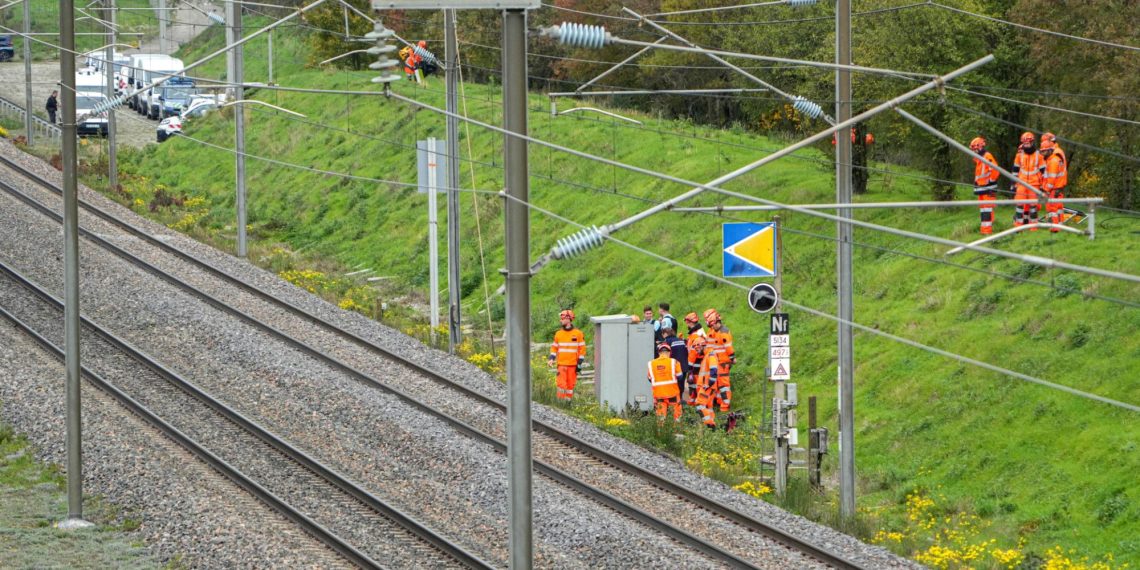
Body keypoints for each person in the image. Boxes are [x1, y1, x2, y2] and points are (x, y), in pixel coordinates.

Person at [548, 309, 586, 403]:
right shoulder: (558, 334)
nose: (560, 320)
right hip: (561, 365)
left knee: (570, 386)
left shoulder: (578, 334)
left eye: (562, 318)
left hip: (573, 365)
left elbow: (582, 349)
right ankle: (560, 404)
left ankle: (567, 404)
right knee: (561, 385)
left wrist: (579, 363)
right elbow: (554, 348)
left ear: (568, 319)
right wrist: (551, 359)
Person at [1011, 132, 1046, 230]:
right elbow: (1015, 170)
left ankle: (1033, 226)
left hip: (1034, 184)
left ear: (1032, 142)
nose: (1026, 145)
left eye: (1028, 143)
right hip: (1021, 183)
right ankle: (1018, 226)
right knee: (1019, 204)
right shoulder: (1019, 155)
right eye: (1024, 144)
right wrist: (1013, 185)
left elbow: (1044, 172)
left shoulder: (1038, 155)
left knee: (1033, 206)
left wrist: (1044, 187)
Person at [704, 308, 735, 412]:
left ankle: (725, 406)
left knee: (723, 386)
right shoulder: (714, 332)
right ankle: (719, 403)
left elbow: (728, 348)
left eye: (712, 325)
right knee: (717, 385)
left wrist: (732, 358)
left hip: (723, 363)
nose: (712, 327)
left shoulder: (723, 332)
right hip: (716, 363)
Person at [970, 136, 1000, 235]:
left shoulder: (987, 156)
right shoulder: (979, 159)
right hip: (982, 189)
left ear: (980, 147)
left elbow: (995, 170)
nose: (974, 151)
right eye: (973, 150)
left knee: (987, 210)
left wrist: (990, 182)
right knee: (983, 210)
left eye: (975, 149)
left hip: (988, 189)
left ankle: (987, 231)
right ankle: (984, 230)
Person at [647, 343, 683, 422]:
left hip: (659, 395)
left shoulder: (651, 363)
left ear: (659, 353)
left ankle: (661, 432)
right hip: (672, 394)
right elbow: (680, 377)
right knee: (676, 416)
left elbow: (649, 379)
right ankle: (677, 432)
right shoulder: (674, 362)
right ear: (669, 352)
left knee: (661, 416)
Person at [690, 336, 720, 429]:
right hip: (707, 386)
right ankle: (711, 427)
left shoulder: (710, 354)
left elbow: (714, 370)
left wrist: (709, 384)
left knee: (699, 405)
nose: (696, 351)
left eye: (697, 348)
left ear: (702, 346)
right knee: (708, 407)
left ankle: (709, 425)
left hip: (707, 387)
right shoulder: (707, 356)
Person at [1040, 133, 1068, 233]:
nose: (1042, 154)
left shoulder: (1054, 158)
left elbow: (1051, 178)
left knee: (1052, 208)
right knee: (1059, 207)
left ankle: (1054, 228)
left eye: (1044, 151)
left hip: (1054, 187)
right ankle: (1060, 226)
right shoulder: (1058, 153)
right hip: (1059, 185)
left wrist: (1046, 190)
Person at [682, 312, 707, 406]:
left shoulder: (696, 335)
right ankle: (694, 399)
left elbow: (693, 351)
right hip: (696, 362)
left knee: (696, 382)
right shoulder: (696, 333)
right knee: (693, 382)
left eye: (687, 322)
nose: (687, 325)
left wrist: (689, 365)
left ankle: (699, 401)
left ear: (690, 322)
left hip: (696, 363)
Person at [661, 327, 689, 398]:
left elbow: (665, 355)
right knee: (681, 384)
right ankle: (680, 399)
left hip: (673, 367)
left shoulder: (666, 342)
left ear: (665, 334)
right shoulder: (681, 340)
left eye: (663, 334)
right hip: (684, 366)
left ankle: (674, 401)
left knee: (673, 385)